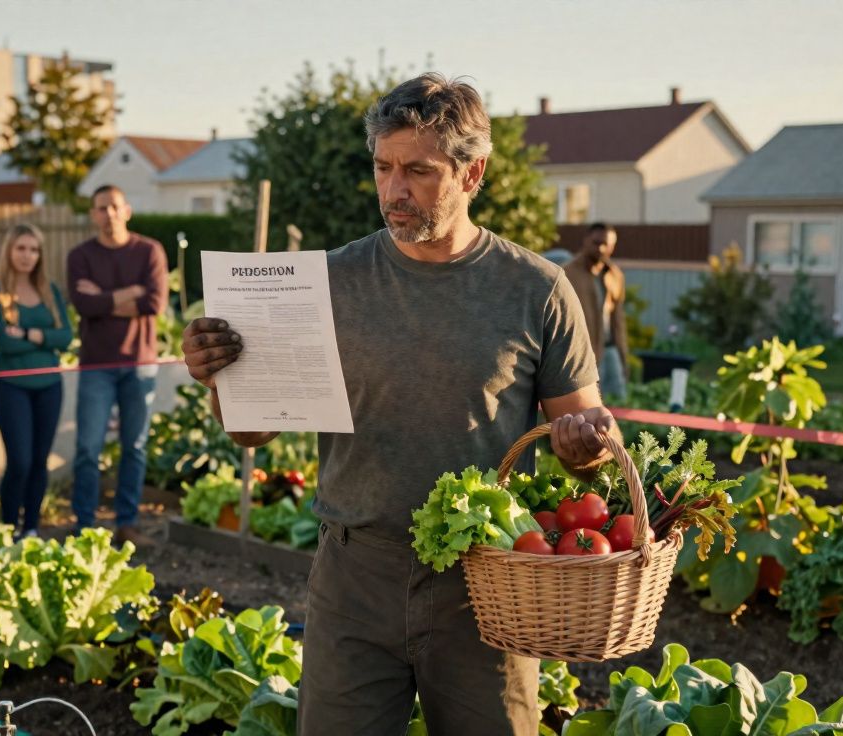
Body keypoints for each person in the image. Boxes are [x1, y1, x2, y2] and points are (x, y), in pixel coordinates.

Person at [181, 74, 620, 735]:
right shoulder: (328, 283)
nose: (394, 189)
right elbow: (251, 434)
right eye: (383, 167)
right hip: (354, 576)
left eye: (418, 170)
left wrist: (586, 447)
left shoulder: (536, 290)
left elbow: (588, 451)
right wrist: (221, 379)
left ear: (472, 174)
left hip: (485, 587)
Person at [67, 184, 168, 546]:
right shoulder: (80, 256)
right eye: (100, 208)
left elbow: (154, 303)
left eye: (114, 207)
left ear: (126, 210)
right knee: (87, 450)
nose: (108, 214)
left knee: (135, 447)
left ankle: (127, 524)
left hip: (140, 366)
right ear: (93, 214)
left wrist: (105, 299)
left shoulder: (149, 251)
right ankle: (84, 527)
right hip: (96, 366)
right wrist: (131, 293)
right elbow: (84, 305)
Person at [0, 223, 72, 539]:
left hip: (50, 386)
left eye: (34, 249)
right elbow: (5, 343)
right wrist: (44, 339)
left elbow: (65, 337)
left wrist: (28, 333)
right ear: (9, 250)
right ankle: (7, 531)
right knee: (20, 461)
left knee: (39, 461)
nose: (27, 256)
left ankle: (32, 529)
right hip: (12, 388)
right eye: (21, 248)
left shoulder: (49, 291)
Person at [564, 222, 629, 399]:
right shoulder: (567, 273)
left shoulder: (615, 274)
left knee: (619, 405)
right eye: (596, 242)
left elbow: (618, 320)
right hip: (582, 354)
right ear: (586, 241)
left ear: (613, 246)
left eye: (606, 244)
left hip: (610, 350)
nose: (601, 248)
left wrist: (623, 357)